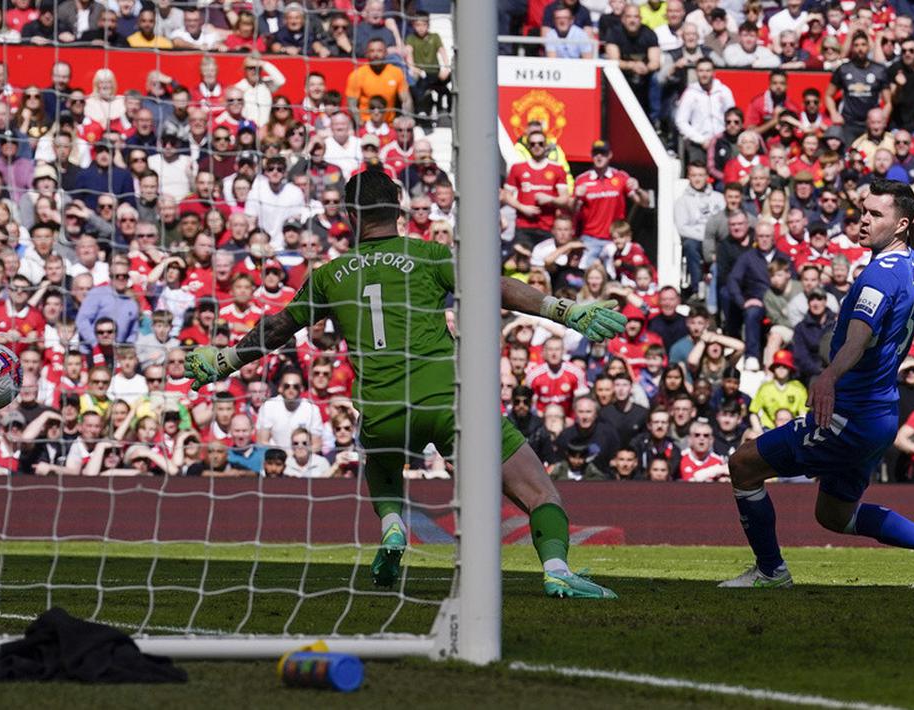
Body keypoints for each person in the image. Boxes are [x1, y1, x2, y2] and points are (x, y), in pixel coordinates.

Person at [185, 169, 627, 599]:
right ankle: (557, 570)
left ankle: (392, 524)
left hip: (384, 411)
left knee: (373, 445)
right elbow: (497, 288)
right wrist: (564, 311)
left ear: (351, 215)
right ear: (398, 209)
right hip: (448, 402)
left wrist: (226, 359)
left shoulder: (327, 274)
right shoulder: (429, 255)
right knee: (539, 490)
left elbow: (280, 325)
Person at [719, 179, 914, 590]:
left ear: (899, 225)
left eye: (875, 215)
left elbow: (858, 337)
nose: (863, 221)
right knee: (834, 515)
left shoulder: (877, 277)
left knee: (743, 464)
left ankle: (770, 572)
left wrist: (829, 374)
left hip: (849, 413)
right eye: (863, 211)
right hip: (880, 414)